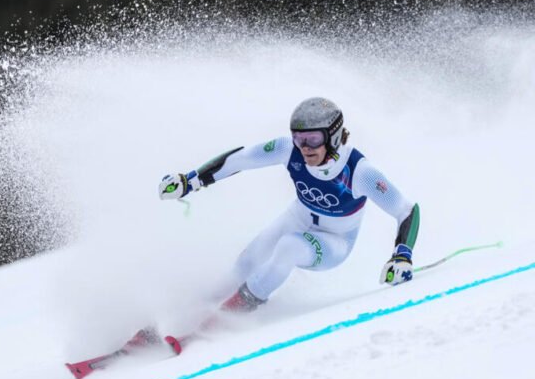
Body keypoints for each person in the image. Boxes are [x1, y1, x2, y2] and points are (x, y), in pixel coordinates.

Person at [158, 97, 420, 314]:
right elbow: (240, 160)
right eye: (299, 138)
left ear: (334, 137)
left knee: (289, 247)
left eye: (314, 139)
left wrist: (402, 256)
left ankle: (232, 313)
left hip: (335, 241)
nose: (305, 148)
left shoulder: (359, 171)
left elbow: (406, 210)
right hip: (297, 218)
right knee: (248, 260)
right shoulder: (289, 150)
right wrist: (191, 181)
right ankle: (197, 309)